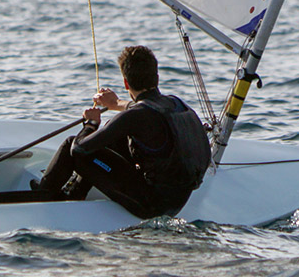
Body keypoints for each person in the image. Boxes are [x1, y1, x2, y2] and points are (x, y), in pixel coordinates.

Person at [33, 45, 211, 218]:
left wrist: (91, 123)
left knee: (72, 143)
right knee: (114, 136)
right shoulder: (177, 104)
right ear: (156, 78)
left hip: (151, 206)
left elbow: (79, 149)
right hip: (179, 200)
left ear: (126, 83)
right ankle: (74, 192)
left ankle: (42, 198)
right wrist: (115, 103)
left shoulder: (134, 116)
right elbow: (146, 109)